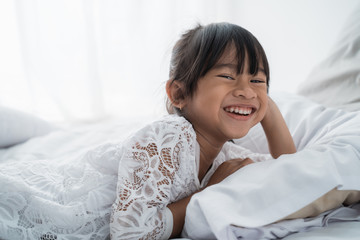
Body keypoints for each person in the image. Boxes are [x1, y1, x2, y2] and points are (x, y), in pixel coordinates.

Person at [110, 22, 296, 239]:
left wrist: (269, 110)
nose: (247, 91)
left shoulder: (227, 158)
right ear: (179, 94)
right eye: (227, 76)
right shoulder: (167, 136)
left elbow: (292, 174)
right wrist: (211, 191)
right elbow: (129, 234)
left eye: (257, 80)